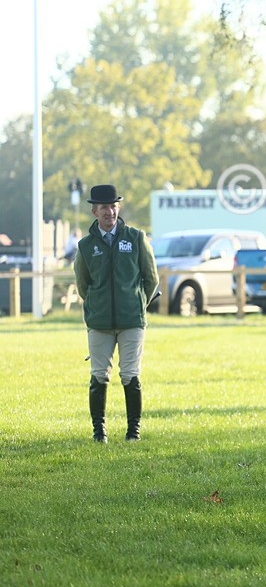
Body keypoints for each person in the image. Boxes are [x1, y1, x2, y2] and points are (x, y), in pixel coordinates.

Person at [73, 184, 158, 442]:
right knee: (99, 376)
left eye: (113, 206)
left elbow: (151, 278)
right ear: (94, 211)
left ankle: (133, 432)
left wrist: (135, 302)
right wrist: (98, 305)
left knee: (130, 374)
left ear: (118, 207)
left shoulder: (136, 238)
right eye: (104, 208)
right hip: (99, 322)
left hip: (132, 319)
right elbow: (83, 284)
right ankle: (99, 432)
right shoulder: (86, 246)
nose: (109, 211)